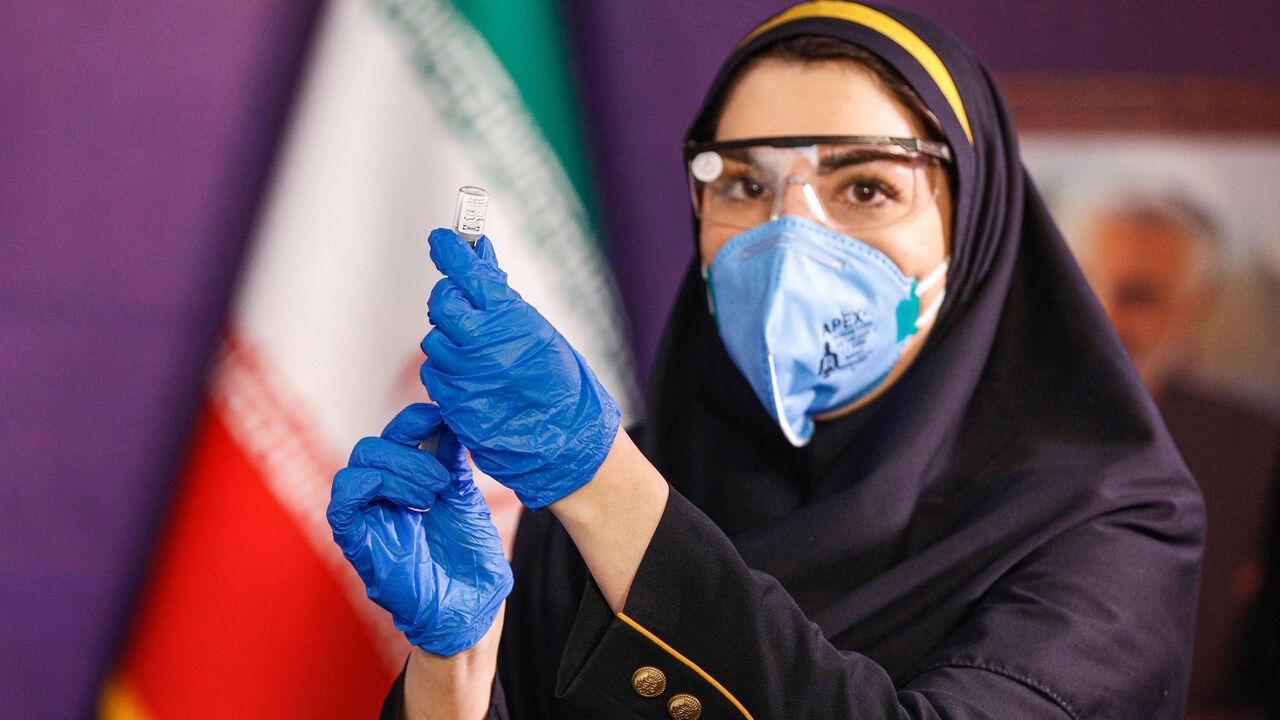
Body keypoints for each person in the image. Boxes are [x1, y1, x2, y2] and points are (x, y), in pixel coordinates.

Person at [326, 2, 1205, 718]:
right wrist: (455, 671)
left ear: (973, 228)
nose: (791, 240)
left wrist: (600, 482)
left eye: (865, 188)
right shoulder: (596, 500)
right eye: (743, 185)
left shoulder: (1107, 526)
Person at [1074, 194, 1280, 718]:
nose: (1103, 312)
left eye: (1137, 294)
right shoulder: (994, 428)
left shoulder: (1252, 448)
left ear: (1195, 305)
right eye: (1081, 283)